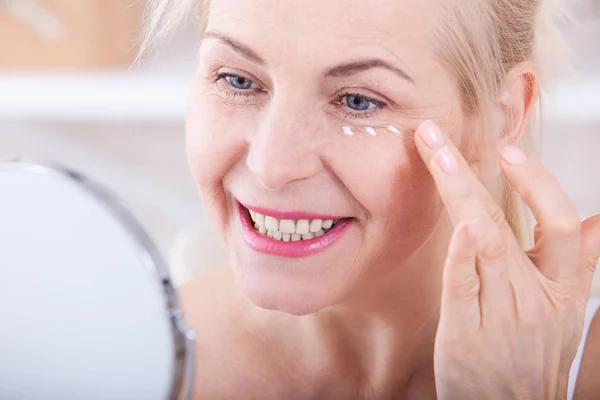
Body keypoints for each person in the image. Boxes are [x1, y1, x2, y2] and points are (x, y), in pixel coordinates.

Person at [143, 0, 600, 398]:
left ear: (501, 117)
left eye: (359, 101)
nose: (272, 166)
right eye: (238, 80)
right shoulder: (121, 361)